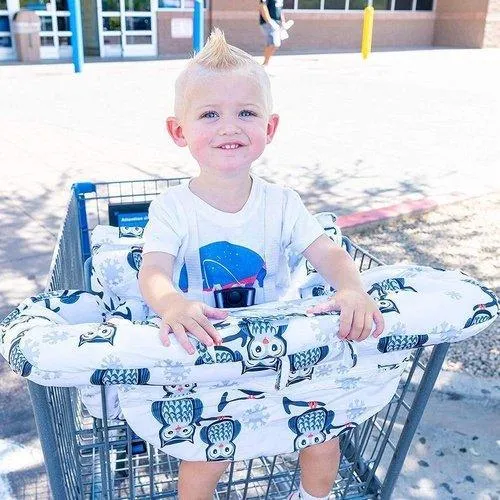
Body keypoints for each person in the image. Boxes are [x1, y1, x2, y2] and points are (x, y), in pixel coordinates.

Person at [138, 29, 384, 500]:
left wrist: (352, 288)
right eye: (210, 114)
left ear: (269, 129)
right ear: (178, 131)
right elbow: (153, 269)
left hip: (280, 350)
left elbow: (328, 252)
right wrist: (171, 303)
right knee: (204, 455)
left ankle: (314, 497)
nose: (229, 126)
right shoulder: (172, 208)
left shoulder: (283, 203)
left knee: (324, 438)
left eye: (246, 113)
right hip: (211, 349)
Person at [259, 0, 287, 65]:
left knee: (276, 44)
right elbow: (262, 6)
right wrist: (269, 21)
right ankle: (265, 63)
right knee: (272, 43)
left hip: (277, 23)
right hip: (267, 23)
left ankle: (266, 62)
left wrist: (282, 21)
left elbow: (280, 10)